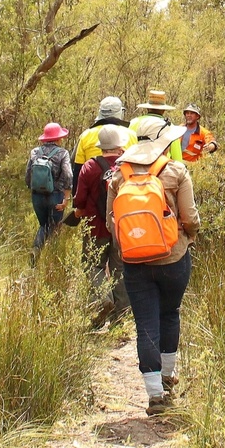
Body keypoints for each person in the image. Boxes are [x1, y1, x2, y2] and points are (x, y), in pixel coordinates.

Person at [108, 118, 198, 416]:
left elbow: (113, 223)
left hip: (134, 261)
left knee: (145, 323)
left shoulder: (119, 176)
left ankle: (154, 395)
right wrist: (188, 237)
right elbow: (190, 217)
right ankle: (168, 379)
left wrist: (129, 246)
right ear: (162, 142)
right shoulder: (175, 170)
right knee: (169, 314)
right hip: (173, 257)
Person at [71, 124, 130, 326]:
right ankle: (120, 317)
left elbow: (79, 200)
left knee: (93, 264)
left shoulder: (89, 166)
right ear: (118, 146)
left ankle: (102, 301)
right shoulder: (126, 167)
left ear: (101, 147)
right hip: (121, 229)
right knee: (119, 269)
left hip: (95, 226)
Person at [25, 122, 72, 255]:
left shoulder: (35, 152)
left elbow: (28, 174)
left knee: (43, 225)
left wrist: (33, 189)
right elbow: (68, 175)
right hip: (56, 195)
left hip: (37, 195)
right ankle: (48, 255)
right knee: (55, 226)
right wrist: (66, 198)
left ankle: (37, 251)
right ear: (58, 138)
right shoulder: (63, 153)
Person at [73, 95, 136, 179]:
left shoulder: (86, 135)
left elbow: (78, 168)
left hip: (93, 187)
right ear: (120, 112)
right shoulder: (131, 134)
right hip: (122, 186)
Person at [128, 89, 183, 162]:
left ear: (147, 108)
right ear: (164, 110)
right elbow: (177, 158)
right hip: (161, 167)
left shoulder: (134, 122)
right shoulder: (170, 127)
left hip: (134, 164)